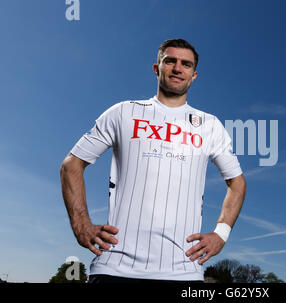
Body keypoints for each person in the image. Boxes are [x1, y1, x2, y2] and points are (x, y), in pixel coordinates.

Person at [60, 38, 246, 283]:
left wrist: (220, 233)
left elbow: (237, 182)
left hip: (183, 271)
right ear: (157, 68)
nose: (178, 68)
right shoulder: (123, 112)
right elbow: (71, 164)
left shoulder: (210, 126)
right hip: (114, 268)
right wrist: (81, 224)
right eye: (170, 61)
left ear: (194, 75)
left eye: (186, 64)